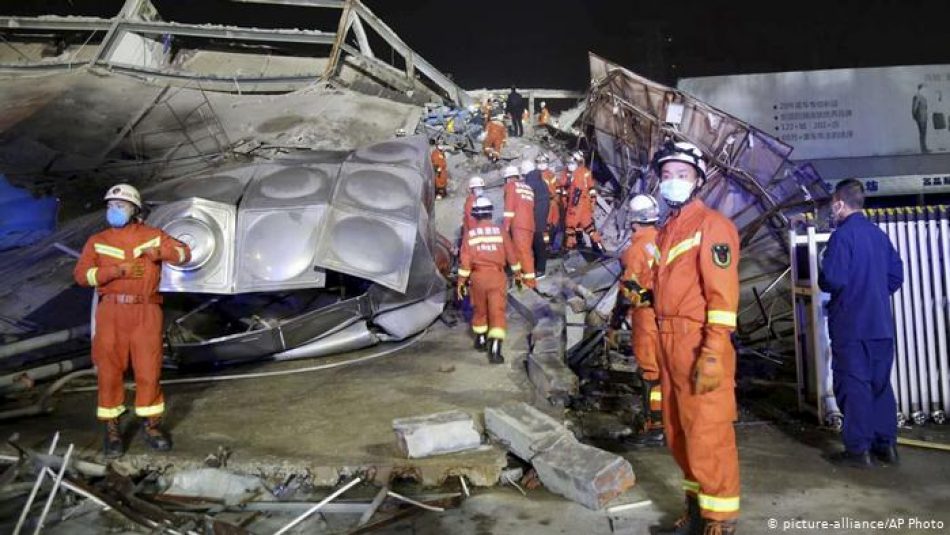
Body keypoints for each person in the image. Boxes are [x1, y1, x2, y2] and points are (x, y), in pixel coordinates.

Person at [651, 141, 740, 534]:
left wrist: (713, 353)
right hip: (668, 340)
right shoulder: (668, 229)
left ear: (698, 180)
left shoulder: (713, 226)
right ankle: (696, 510)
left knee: (708, 432)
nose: (673, 182)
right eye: (667, 175)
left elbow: (722, 299)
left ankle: (719, 520)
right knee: (677, 431)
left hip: (697, 341)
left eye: (682, 175)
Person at [73, 184, 191, 458]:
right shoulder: (97, 240)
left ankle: (151, 426)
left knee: (148, 370)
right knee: (109, 370)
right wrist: (116, 270)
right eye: (110, 206)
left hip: (146, 312)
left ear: (135, 209)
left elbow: (185, 253)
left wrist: (161, 253)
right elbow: (81, 276)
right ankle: (112, 429)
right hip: (111, 312)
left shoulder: (152, 236)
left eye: (120, 206)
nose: (114, 210)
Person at [819, 179, 903, 469]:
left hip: (851, 326)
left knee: (853, 387)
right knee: (880, 386)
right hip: (881, 326)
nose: (832, 209)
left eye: (833, 204)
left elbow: (833, 279)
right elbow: (896, 277)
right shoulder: (879, 235)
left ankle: (858, 451)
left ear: (840, 203)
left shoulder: (842, 238)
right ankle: (887, 446)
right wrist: (873, 291)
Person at [616, 194, 664, 448]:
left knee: (650, 371)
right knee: (664, 367)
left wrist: (617, 319)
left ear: (633, 220)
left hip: (646, 316)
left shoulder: (635, 250)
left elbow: (630, 290)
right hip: (666, 314)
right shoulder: (663, 240)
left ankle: (656, 426)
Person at [457, 197, 522, 364]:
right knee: (497, 311)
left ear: (475, 214)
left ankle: (480, 340)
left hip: (477, 278)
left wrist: (461, 282)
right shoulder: (500, 232)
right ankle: (495, 349)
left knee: (480, 309)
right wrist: (518, 274)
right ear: (490, 212)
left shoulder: (469, 235)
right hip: (497, 276)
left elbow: (465, 262)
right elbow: (511, 254)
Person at [502, 165, 537, 288]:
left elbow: (509, 209)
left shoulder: (511, 187)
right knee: (523, 252)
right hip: (530, 224)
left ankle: (530, 283)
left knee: (523, 253)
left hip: (518, 224)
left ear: (507, 178)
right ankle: (522, 279)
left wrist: (505, 227)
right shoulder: (527, 188)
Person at [564, 151, 605, 254]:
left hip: (578, 204)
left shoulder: (578, 176)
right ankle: (598, 247)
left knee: (573, 225)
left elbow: (575, 199)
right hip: (584, 204)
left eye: (572, 163)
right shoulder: (578, 173)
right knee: (589, 227)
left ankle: (573, 246)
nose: (569, 165)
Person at [521, 158, 550, 277]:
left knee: (537, 244)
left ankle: (540, 270)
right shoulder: (540, 181)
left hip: (535, 219)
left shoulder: (530, 183)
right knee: (540, 243)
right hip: (542, 217)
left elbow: (525, 202)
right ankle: (540, 268)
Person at [537, 154, 560, 250]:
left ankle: (552, 245)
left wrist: (557, 199)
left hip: (552, 203)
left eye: (543, 162)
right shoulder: (536, 175)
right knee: (545, 226)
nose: (542, 164)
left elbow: (557, 188)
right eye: (539, 162)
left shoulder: (551, 174)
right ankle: (547, 245)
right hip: (544, 203)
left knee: (554, 224)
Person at [912, 84, 929, 153]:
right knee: (922, 133)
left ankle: (925, 148)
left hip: (924, 117)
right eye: (924, 89)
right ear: (920, 89)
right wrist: (915, 117)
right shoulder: (917, 96)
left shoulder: (924, 98)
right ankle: (923, 149)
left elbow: (925, 108)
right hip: (920, 117)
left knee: (924, 133)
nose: (925, 90)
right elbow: (914, 108)